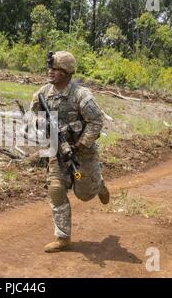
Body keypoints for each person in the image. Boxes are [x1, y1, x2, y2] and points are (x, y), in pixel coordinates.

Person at [29, 51, 110, 253]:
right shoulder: (43, 93)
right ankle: (63, 237)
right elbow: (33, 115)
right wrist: (43, 122)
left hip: (83, 153)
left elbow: (96, 121)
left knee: (84, 194)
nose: (51, 72)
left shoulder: (81, 95)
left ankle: (98, 184)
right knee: (55, 189)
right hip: (57, 152)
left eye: (55, 69)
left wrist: (80, 144)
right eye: (51, 68)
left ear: (66, 72)